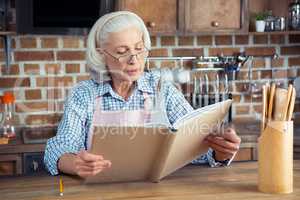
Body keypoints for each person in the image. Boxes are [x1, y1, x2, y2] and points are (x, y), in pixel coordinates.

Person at [44, 11, 241, 178]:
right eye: (122, 51)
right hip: (99, 192)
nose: (134, 60)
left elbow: (195, 148)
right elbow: (58, 149)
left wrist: (220, 151)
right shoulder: (84, 94)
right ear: (101, 53)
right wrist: (75, 164)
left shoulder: (161, 88)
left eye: (139, 49)